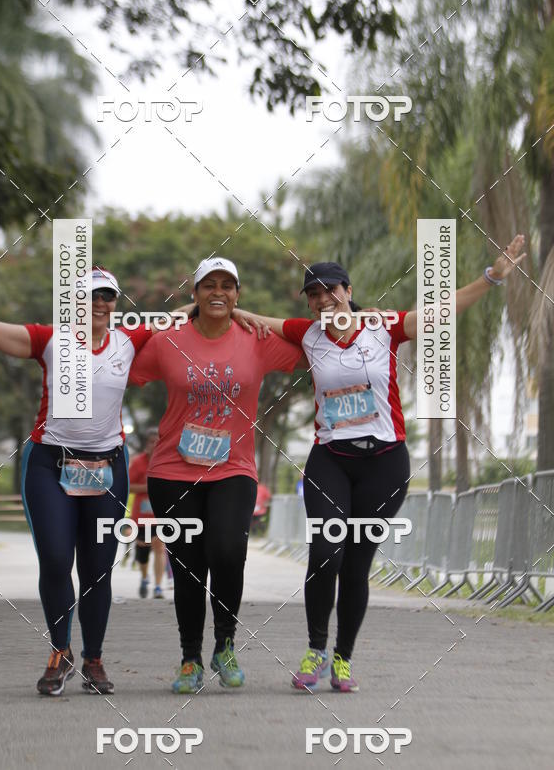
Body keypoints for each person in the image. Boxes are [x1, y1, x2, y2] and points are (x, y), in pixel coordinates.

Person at [234, 234, 527, 693]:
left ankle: (343, 659)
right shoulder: (306, 333)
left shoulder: (381, 325)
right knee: (325, 553)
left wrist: (491, 277)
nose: (322, 300)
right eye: (313, 295)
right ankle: (315, 650)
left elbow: (440, 312)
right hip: (330, 460)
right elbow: (250, 319)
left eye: (330, 290)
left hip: (385, 463)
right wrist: (203, 306)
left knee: (355, 565)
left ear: (347, 291)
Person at [0, 265, 153, 696]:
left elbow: (184, 320)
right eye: (90, 296)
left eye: (107, 296)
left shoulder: (129, 340)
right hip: (50, 466)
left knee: (98, 570)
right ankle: (60, 652)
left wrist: (223, 307)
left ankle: (94, 660)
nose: (99, 303)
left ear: (116, 303)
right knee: (57, 561)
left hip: (108, 468)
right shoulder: (50, 340)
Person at [129, 257, 303, 694]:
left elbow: (314, 345)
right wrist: (165, 319)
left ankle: (224, 645)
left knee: (227, 552)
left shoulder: (256, 339)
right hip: (172, 470)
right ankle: (190, 658)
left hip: (233, 469)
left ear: (238, 294)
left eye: (228, 286)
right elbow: (122, 359)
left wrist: (258, 318)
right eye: (209, 285)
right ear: (195, 294)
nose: (218, 292)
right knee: (187, 566)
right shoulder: (169, 340)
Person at [128, 426, 168, 598]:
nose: (155, 445)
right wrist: (148, 487)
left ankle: (158, 587)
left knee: (160, 548)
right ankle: (145, 577)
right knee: (142, 553)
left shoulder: (167, 462)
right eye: (152, 442)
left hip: (160, 516)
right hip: (141, 517)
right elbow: (129, 486)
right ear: (147, 444)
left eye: (158, 442)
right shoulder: (138, 462)